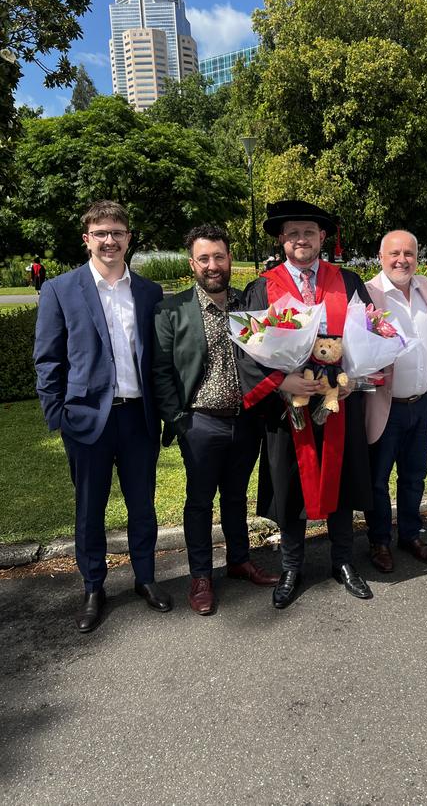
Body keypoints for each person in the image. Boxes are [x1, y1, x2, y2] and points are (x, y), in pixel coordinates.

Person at [33, 200, 171, 633]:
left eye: (117, 232)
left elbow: (158, 358)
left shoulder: (148, 292)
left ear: (129, 238)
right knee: (89, 510)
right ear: (87, 239)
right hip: (86, 421)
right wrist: (58, 415)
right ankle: (94, 587)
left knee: (142, 507)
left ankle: (145, 579)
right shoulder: (60, 289)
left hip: (137, 420)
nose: (109, 240)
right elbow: (47, 360)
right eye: (101, 233)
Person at [237, 199, 374, 609]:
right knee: (290, 484)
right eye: (294, 233)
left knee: (342, 476)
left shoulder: (346, 280)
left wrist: (355, 378)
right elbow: (247, 352)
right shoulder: (263, 286)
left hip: (337, 403)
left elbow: (367, 333)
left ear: (322, 238)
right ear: (282, 239)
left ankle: (344, 562)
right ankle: (292, 565)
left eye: (309, 233)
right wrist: (282, 381)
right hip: (287, 407)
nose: (302, 240)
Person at [152, 225, 279, 616]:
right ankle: (201, 576)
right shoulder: (172, 310)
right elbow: (160, 372)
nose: (212, 265)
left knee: (236, 496)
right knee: (200, 502)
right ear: (192, 263)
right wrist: (179, 421)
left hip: (245, 421)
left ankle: (239, 560)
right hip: (200, 424)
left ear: (229, 259)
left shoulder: (248, 305)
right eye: (204, 258)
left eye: (219, 257)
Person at [363, 230, 427, 573]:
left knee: (414, 476)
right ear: (381, 257)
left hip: (420, 403)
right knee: (378, 480)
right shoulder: (368, 293)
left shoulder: (426, 288)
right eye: (394, 253)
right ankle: (379, 541)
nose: (402, 260)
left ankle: (410, 533)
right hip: (386, 405)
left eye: (409, 253)